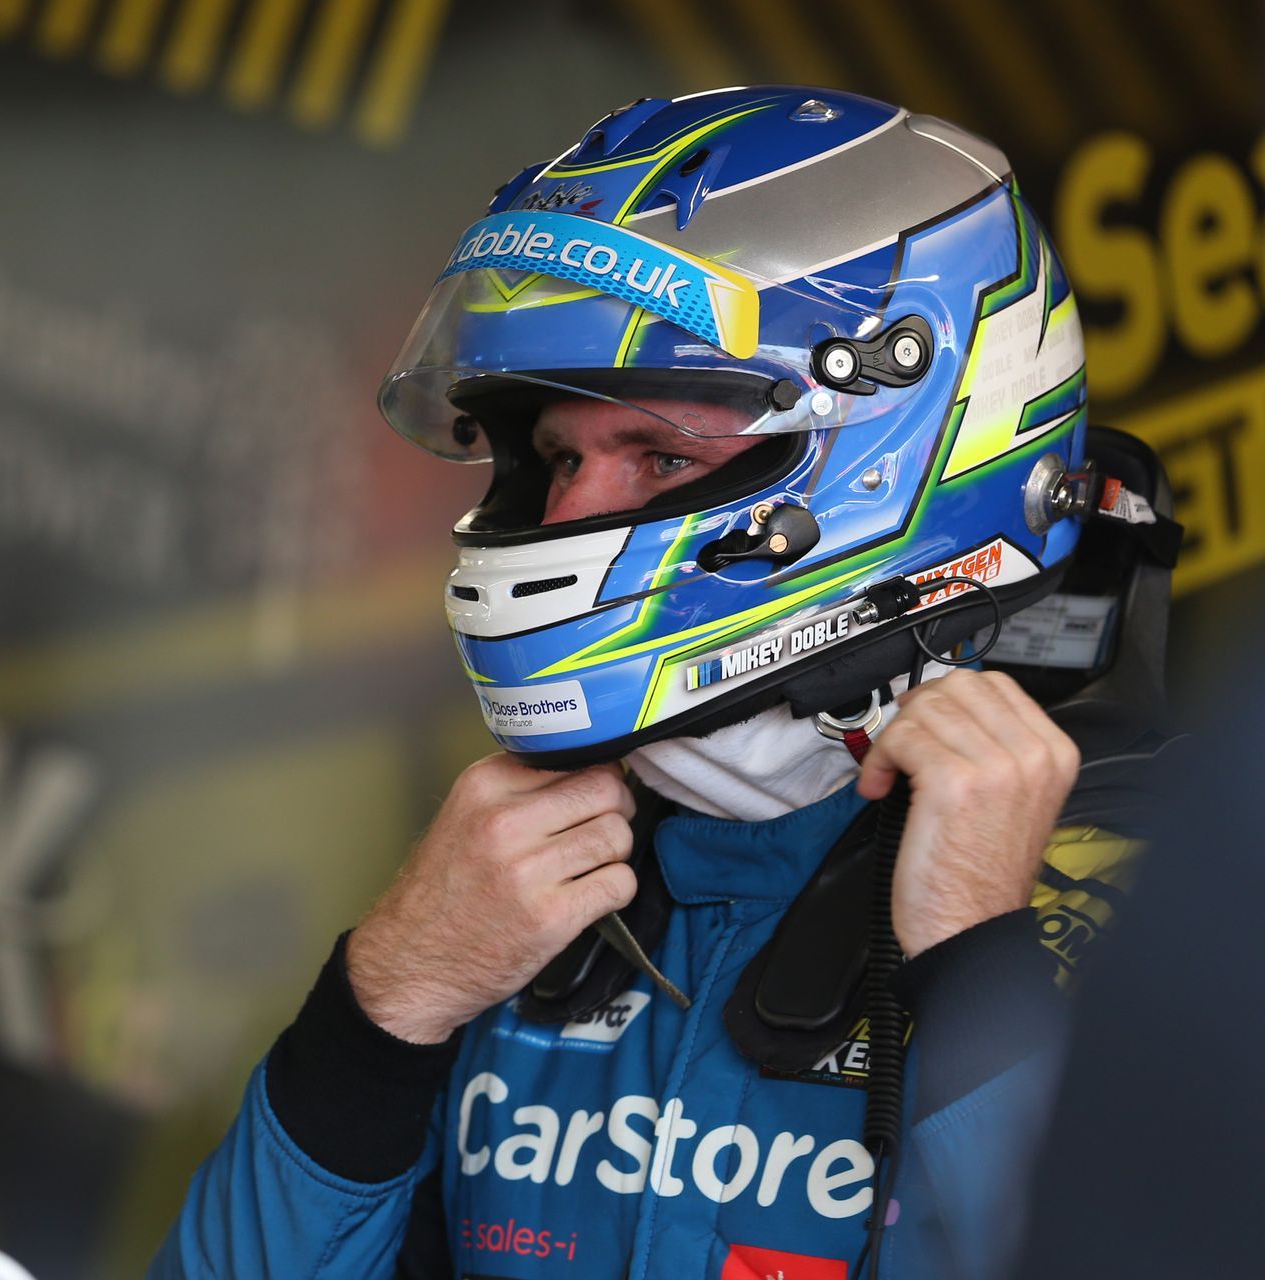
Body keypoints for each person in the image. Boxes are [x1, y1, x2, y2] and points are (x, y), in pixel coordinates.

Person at [151, 86, 1171, 1279]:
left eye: (660, 454)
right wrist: (386, 1004)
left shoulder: (1163, 905)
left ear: (900, 457)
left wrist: (978, 967)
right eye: (556, 456)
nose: (574, 511)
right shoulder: (510, 893)